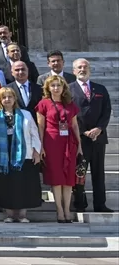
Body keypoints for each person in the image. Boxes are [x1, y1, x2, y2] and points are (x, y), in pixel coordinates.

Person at [0, 86, 43, 223]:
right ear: (0, 100)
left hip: (23, 154)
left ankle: (22, 215)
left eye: (10, 97)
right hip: (2, 155)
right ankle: (9, 215)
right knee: (5, 184)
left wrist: (36, 151)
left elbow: (34, 133)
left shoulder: (26, 114)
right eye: (4, 97)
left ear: (15, 98)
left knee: (23, 183)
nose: (7, 99)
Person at [69, 58, 112, 213]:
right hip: (79, 138)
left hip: (98, 138)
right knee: (79, 172)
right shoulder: (69, 89)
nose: (82, 69)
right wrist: (83, 131)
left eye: (85, 67)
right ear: (74, 71)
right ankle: (80, 204)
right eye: (79, 67)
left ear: (89, 69)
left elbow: (107, 110)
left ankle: (100, 204)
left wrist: (99, 128)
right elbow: (68, 113)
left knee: (98, 173)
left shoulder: (100, 89)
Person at [37, 73, 81, 222]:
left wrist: (79, 145)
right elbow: (41, 126)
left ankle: (67, 210)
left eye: (59, 85)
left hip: (69, 142)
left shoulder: (70, 104)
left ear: (63, 88)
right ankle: (59, 210)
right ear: (48, 88)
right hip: (52, 142)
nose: (56, 88)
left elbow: (74, 125)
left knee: (68, 178)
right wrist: (41, 146)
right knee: (56, 177)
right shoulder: (43, 103)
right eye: (53, 85)